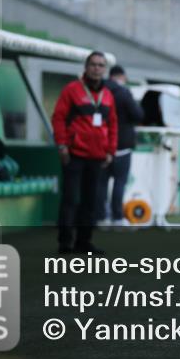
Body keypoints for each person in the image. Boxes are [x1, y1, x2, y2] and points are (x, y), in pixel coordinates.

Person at [52, 51, 117, 254]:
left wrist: (110, 151)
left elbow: (113, 125)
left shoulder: (108, 95)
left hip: (97, 157)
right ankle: (65, 242)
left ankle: (84, 241)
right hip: (74, 155)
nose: (97, 69)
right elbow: (58, 118)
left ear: (104, 69)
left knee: (90, 201)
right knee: (71, 199)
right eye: (93, 65)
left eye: (101, 65)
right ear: (86, 67)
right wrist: (62, 145)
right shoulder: (72, 90)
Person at [97, 64, 144, 227]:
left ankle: (101, 217)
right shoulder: (124, 93)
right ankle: (117, 217)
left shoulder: (99, 91)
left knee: (101, 183)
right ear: (122, 76)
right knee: (119, 182)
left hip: (101, 145)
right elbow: (138, 115)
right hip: (121, 145)